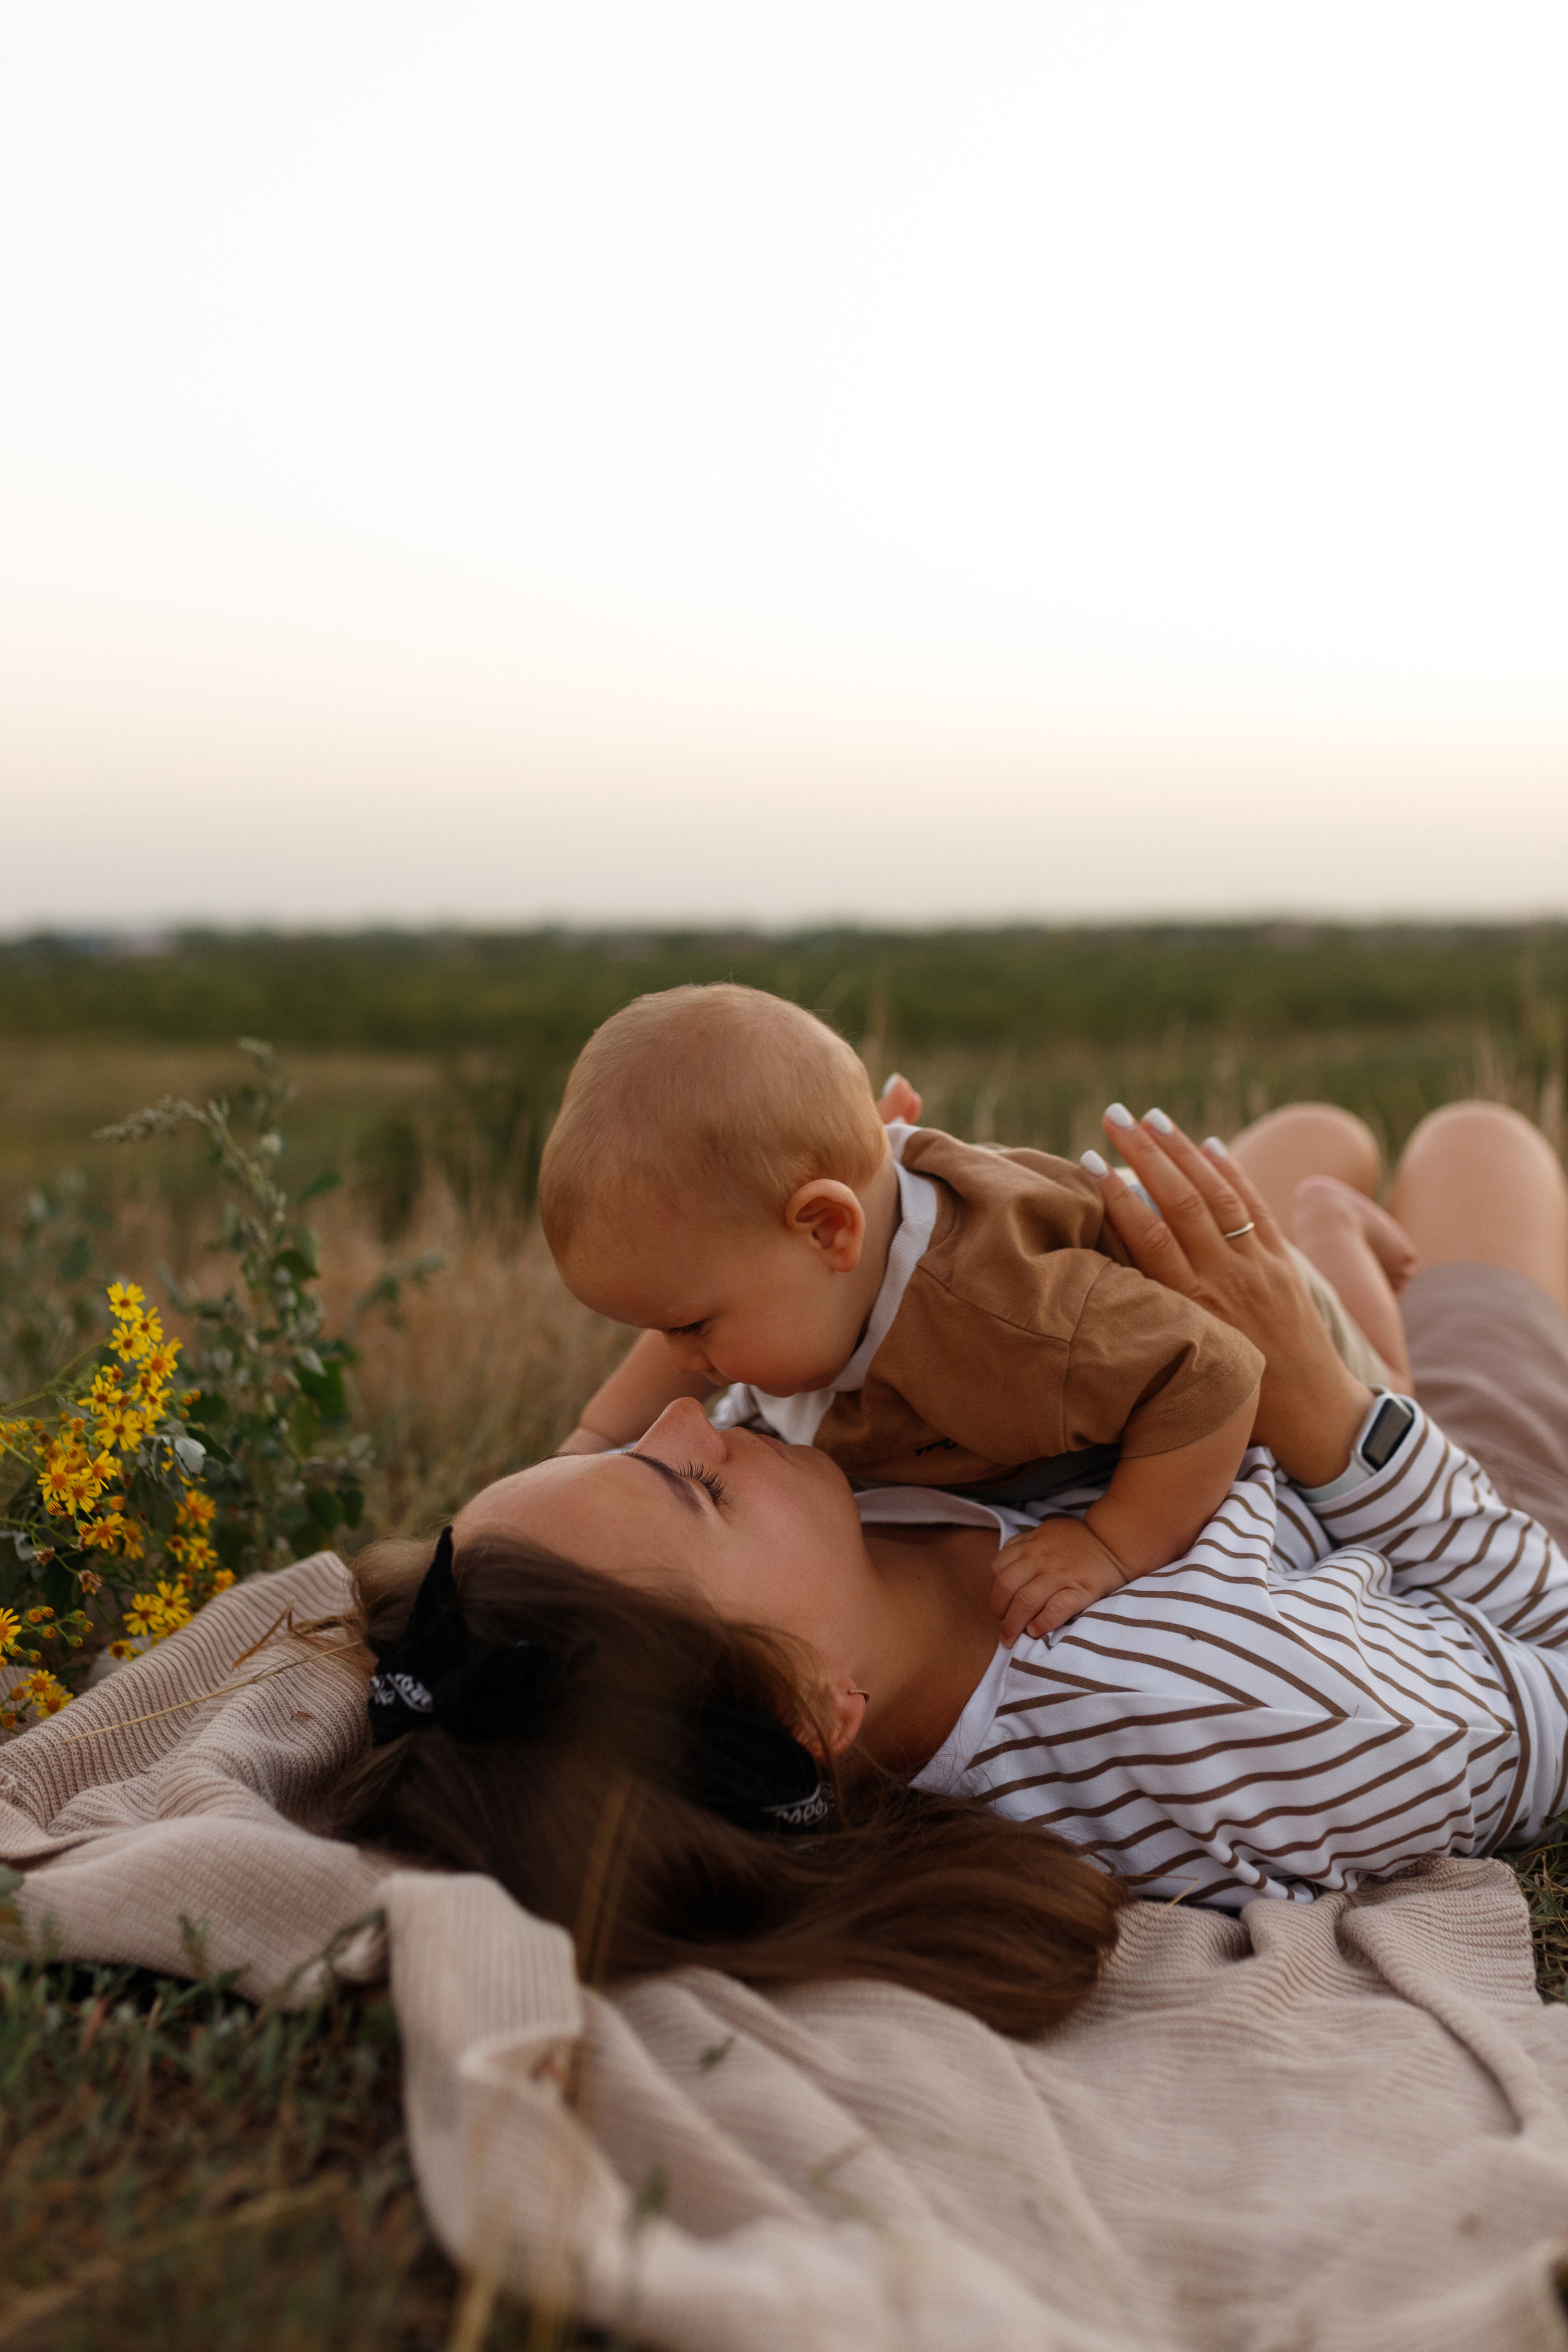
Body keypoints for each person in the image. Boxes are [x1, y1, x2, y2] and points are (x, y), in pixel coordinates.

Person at [326, 1097, 1568, 2033]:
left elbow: (614, 1489)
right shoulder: (1241, 1708)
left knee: (1303, 1131)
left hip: (1215, 1420)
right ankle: (1344, 1253)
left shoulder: (790, 1573)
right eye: (698, 1484)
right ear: (813, 1704)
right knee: (1476, 1144)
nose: (699, 1410)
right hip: (1426, 1525)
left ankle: (1320, 1226)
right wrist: (1330, 1405)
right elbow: (1546, 1663)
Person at [538, 984, 1264, 1638]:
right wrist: (592, 1444)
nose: (679, 1360)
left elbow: (1212, 1374)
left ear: (828, 1228)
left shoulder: (998, 1320)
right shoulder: (802, 1264)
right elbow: (657, 1371)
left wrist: (1113, 1541)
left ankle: (1350, 1236)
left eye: (691, 1327)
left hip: (1214, 1309)